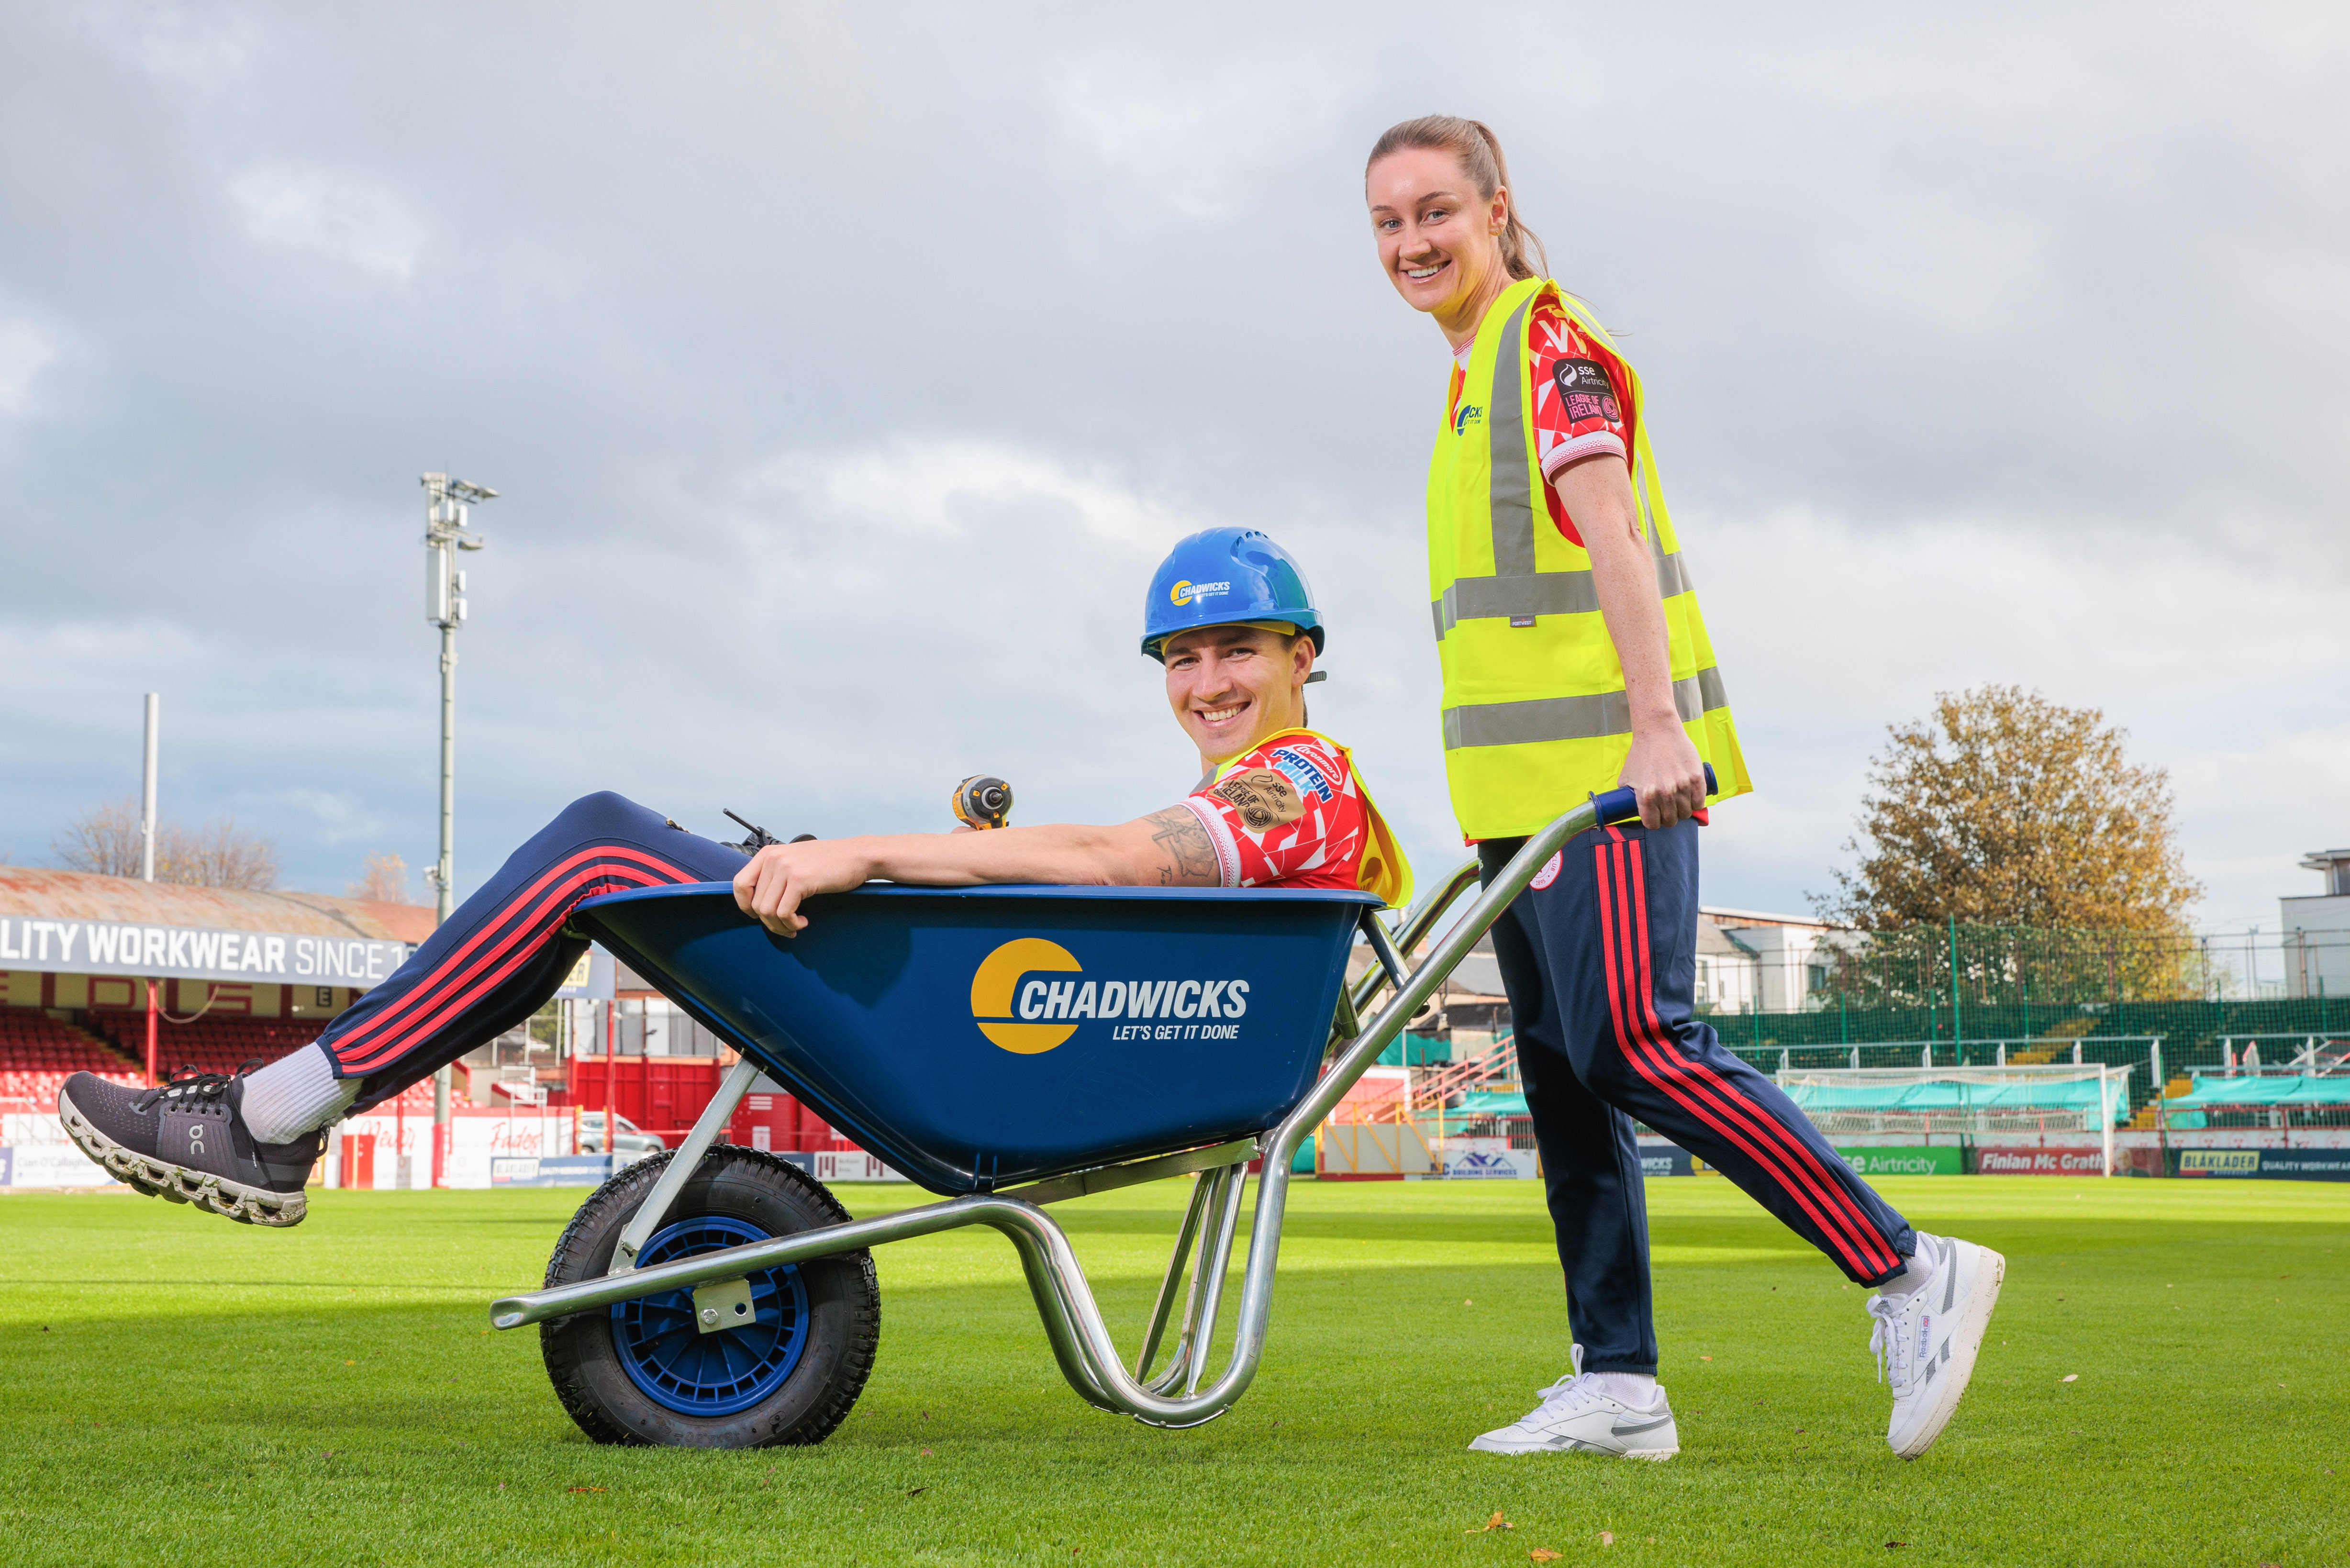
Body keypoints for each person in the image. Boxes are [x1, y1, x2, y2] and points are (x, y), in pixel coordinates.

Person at [57, 527, 1408, 1228]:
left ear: (1301, 654)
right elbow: (1117, 857)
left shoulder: (1303, 784)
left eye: (1238, 650)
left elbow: (1120, 860)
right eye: (1182, 658)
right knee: (606, 846)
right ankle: (274, 1112)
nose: (1208, 681)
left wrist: (864, 853)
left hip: (1030, 1036)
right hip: (1015, 1008)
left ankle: (273, 1115)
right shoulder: (1259, 787)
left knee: (596, 840)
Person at [1363, 115, 2003, 1463]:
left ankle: (1905, 1264)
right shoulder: (1471, 371)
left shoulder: (1546, 339)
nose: (1413, 242)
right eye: (1389, 224)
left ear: (1496, 210)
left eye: (1436, 213)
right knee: (1562, 1083)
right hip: (1514, 806)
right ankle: (1619, 1381)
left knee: (1632, 1042)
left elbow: (1615, 532)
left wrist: (1658, 729)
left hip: (1608, 777)